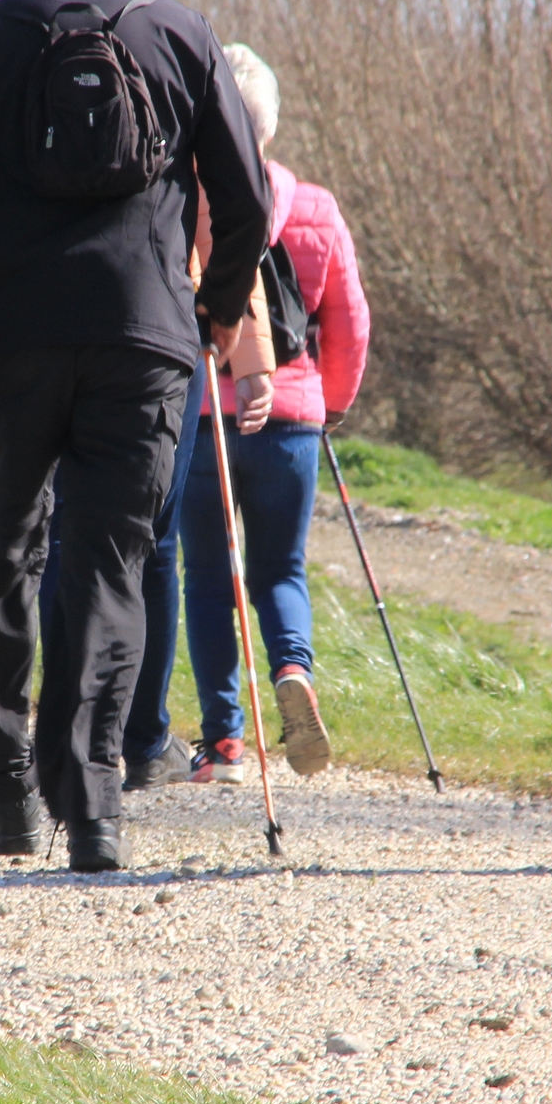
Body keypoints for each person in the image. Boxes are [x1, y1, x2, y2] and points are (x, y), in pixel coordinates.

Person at [0, 0, 273, 872]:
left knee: (8, 543)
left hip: (16, 338)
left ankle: (1, 781)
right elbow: (247, 199)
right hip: (146, 337)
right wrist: (216, 312)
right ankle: (94, 803)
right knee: (109, 560)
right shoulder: (179, 32)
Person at [181, 44, 371, 784]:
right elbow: (349, 319)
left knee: (207, 575)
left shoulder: (188, 201)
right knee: (279, 569)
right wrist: (333, 401)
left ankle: (225, 742)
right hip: (292, 415)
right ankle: (294, 667)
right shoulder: (317, 210)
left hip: (203, 413)